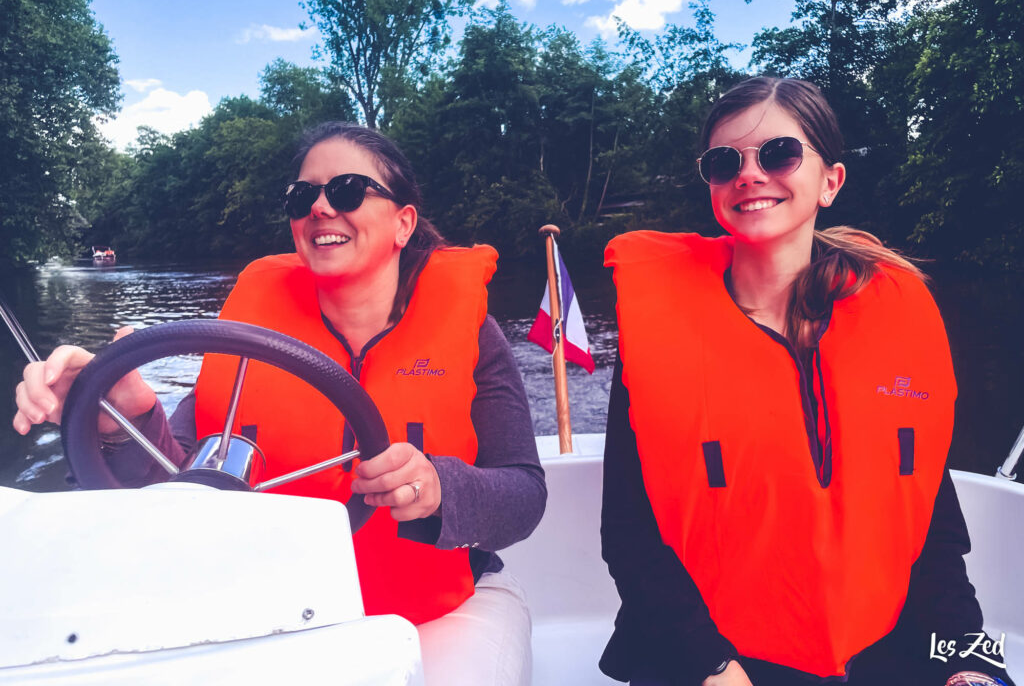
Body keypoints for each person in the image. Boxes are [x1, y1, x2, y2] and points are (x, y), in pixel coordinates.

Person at [13, 121, 546, 686]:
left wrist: (441, 487)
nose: (319, 207)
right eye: (301, 196)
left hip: (438, 610)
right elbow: (171, 495)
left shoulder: (472, 333)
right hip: (266, 613)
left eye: (345, 191)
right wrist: (120, 418)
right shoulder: (248, 332)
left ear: (403, 223)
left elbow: (525, 495)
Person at [600, 77, 1014, 686]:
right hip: (708, 655)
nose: (750, 174)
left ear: (830, 181)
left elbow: (927, 522)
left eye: (778, 154)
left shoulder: (896, 323)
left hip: (879, 647)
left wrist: (968, 661)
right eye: (724, 162)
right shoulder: (655, 340)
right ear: (712, 185)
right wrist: (712, 668)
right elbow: (630, 536)